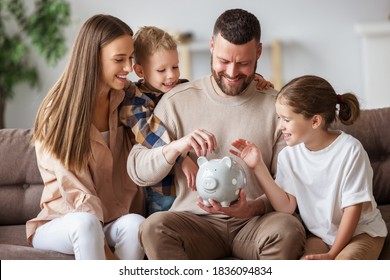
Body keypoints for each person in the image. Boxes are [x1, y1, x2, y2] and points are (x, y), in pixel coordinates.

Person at [127, 8, 306, 260]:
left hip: (255, 223)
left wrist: (252, 207)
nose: (232, 73)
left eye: (243, 63)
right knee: (153, 228)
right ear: (212, 46)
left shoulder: (277, 107)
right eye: (223, 61)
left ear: (258, 53)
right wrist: (176, 148)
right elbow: (137, 169)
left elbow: (291, 185)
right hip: (194, 223)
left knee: (288, 229)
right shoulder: (176, 100)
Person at [27, 14, 146, 260]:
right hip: (63, 220)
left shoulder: (126, 98)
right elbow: (75, 190)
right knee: (85, 224)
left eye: (130, 58)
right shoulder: (58, 112)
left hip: (112, 218)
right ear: (94, 58)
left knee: (135, 224)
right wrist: (110, 260)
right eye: (119, 60)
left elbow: (164, 96)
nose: (128, 68)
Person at [230, 75, 388, 260]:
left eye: (286, 120)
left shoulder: (350, 150)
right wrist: (258, 166)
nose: (280, 126)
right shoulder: (289, 156)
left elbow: (352, 210)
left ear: (315, 121)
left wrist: (332, 254)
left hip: (361, 232)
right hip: (321, 235)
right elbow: (286, 206)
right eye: (279, 118)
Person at [121, 25, 273, 216]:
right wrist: (182, 159)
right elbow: (151, 135)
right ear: (140, 71)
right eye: (162, 70)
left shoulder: (180, 89)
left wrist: (254, 79)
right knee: (163, 221)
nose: (172, 76)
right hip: (162, 188)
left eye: (175, 67)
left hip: (186, 188)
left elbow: (214, 84)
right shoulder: (135, 102)